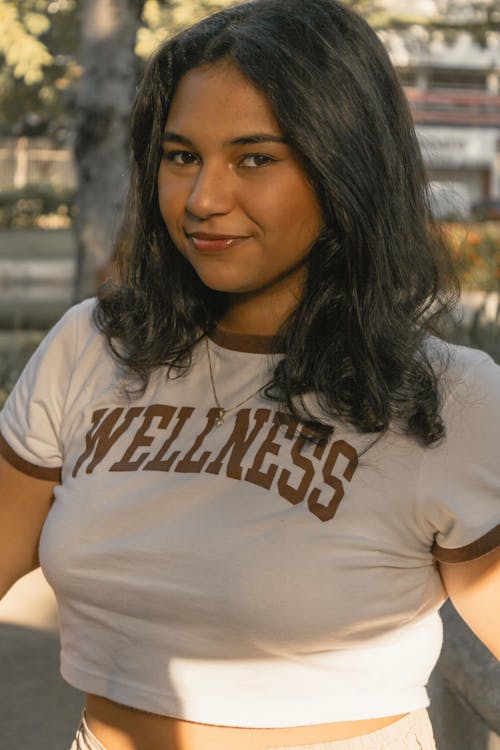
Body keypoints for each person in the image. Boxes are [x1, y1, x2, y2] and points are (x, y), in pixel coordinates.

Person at [0, 1, 498, 748]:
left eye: (255, 158)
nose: (203, 199)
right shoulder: (92, 348)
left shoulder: (446, 398)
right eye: (181, 156)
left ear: (343, 168)